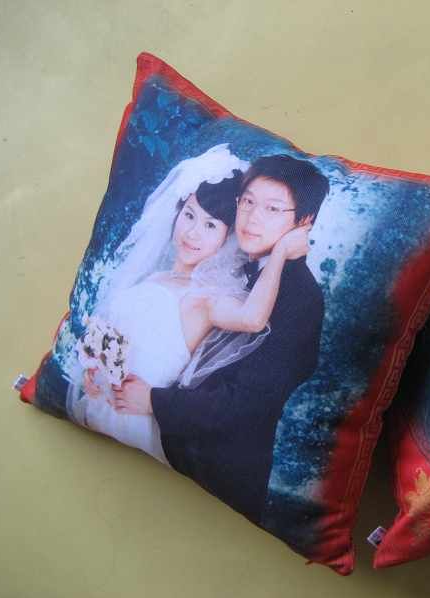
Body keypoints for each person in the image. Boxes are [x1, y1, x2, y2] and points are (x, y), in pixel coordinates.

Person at [111, 154, 329, 523]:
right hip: (163, 452)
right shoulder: (231, 269)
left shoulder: (300, 298)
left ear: (303, 222)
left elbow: (246, 406)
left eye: (272, 209)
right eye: (248, 202)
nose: (252, 218)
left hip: (216, 477)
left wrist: (152, 400)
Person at [70, 144, 275, 461]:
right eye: (189, 215)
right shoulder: (155, 277)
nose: (192, 233)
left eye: (210, 225)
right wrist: (95, 371)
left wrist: (281, 254)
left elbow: (253, 319)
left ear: (227, 238)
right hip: (97, 408)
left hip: (133, 420)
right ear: (177, 212)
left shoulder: (205, 297)